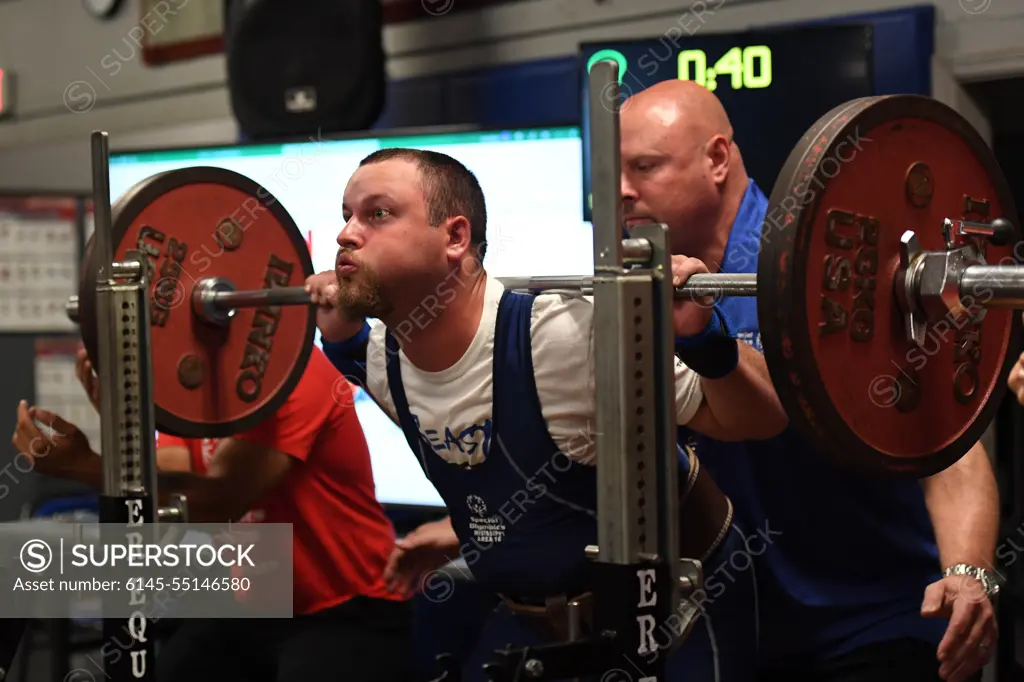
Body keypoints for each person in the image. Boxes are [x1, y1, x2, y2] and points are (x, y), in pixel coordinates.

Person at [304, 146, 791, 681]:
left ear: (455, 238)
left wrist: (702, 336)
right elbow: (421, 403)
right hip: (534, 622)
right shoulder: (386, 361)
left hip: (677, 616)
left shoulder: (562, 337)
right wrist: (343, 332)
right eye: (345, 215)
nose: (345, 235)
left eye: (377, 214)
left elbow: (759, 418)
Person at [616, 79, 1000, 682]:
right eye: (614, 169)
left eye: (644, 166)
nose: (620, 190)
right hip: (734, 630)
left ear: (717, 159)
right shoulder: (642, 289)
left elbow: (950, 451)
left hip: (875, 623)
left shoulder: (841, 272)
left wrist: (969, 573)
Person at [12, 345, 413, 682]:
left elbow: (219, 499)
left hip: (350, 607)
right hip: (256, 604)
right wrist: (128, 423)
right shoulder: (191, 387)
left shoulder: (292, 368)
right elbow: (167, 504)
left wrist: (87, 467)